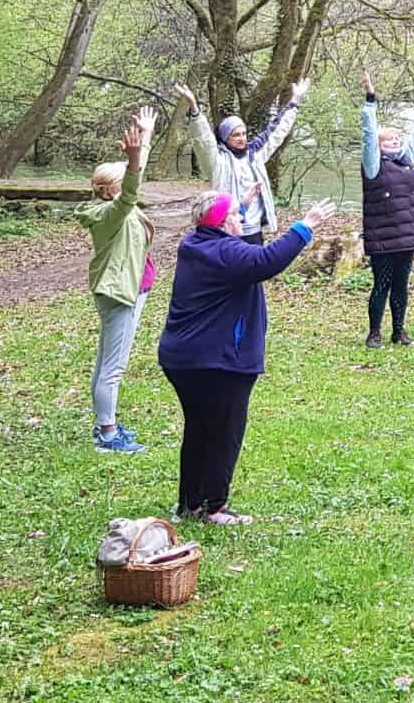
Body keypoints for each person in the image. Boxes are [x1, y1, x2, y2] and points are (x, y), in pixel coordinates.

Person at [157, 190, 338, 524]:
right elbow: (267, 261)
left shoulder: (195, 244)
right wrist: (306, 225)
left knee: (199, 430)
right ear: (225, 224)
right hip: (219, 362)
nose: (242, 219)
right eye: (237, 216)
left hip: (182, 359)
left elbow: (228, 230)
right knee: (225, 432)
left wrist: (240, 201)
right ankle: (214, 507)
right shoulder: (227, 252)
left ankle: (190, 505)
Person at [75, 107, 158, 454]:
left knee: (105, 362)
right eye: (125, 180)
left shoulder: (114, 208)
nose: (132, 185)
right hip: (120, 293)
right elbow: (129, 194)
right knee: (113, 366)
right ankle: (108, 436)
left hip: (129, 291)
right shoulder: (111, 214)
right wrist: (136, 161)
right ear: (111, 190)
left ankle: (104, 427)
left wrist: (146, 138)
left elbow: (132, 188)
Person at [174, 77, 310, 245]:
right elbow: (204, 140)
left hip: (254, 229)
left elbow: (277, 130)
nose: (241, 138)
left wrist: (295, 100)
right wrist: (194, 109)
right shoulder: (218, 161)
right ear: (225, 137)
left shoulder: (255, 153)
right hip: (228, 228)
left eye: (244, 133)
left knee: (257, 267)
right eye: (235, 135)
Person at [360, 74, 414, 349]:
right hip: (381, 236)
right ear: (379, 145)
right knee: (382, 283)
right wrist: (370, 101)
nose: (394, 141)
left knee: (401, 285)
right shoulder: (373, 165)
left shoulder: (408, 159)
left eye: (397, 138)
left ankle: (399, 331)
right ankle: (374, 333)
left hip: (406, 235)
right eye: (388, 139)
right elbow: (369, 135)